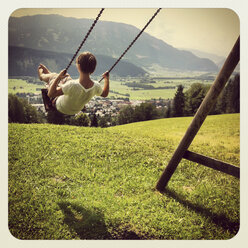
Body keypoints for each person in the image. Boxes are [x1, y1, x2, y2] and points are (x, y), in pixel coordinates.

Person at [38, 51, 109, 115]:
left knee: (55, 77)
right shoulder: (96, 86)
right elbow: (105, 94)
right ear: (93, 69)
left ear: (78, 66)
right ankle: (49, 76)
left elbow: (51, 94)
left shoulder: (72, 85)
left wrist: (58, 77)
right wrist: (106, 79)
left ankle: (42, 76)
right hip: (76, 110)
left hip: (60, 106)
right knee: (67, 78)